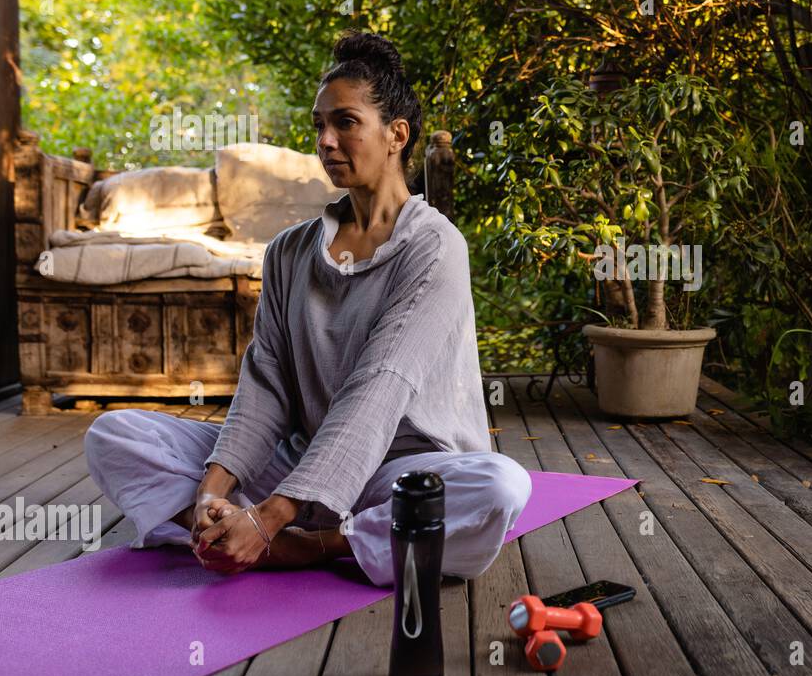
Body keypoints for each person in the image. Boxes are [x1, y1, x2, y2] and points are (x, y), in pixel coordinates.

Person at [85, 30, 531, 586]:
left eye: (344, 122)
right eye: (319, 124)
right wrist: (210, 492)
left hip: (395, 471)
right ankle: (219, 528)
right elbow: (265, 383)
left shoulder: (435, 247)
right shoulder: (289, 251)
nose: (324, 140)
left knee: (502, 486)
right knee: (114, 435)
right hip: (295, 460)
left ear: (396, 134)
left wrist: (272, 519)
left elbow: (378, 389)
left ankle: (312, 545)